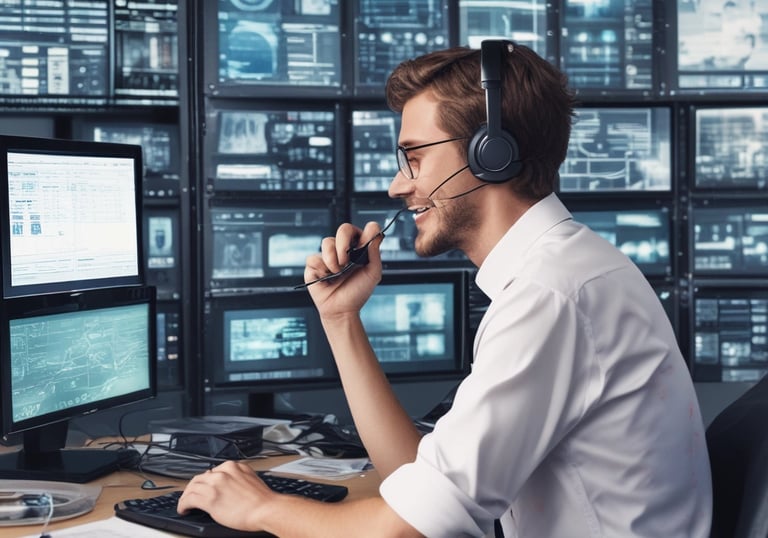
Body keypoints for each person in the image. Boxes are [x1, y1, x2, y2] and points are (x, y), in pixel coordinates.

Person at [178, 41, 713, 537]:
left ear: (491, 153)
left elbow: (405, 530)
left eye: (414, 157)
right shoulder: (562, 271)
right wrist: (341, 321)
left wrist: (261, 507)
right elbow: (418, 487)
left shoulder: (552, 296)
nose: (397, 185)